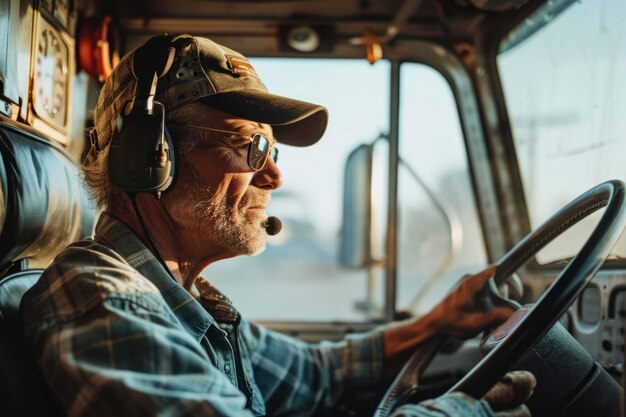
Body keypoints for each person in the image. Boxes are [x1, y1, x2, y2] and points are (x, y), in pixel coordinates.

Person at [21, 34, 534, 417]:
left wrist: (437, 323)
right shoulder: (104, 298)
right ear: (148, 157)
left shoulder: (184, 299)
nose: (274, 174)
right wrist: (469, 411)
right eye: (250, 145)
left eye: (273, 148)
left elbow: (316, 375)